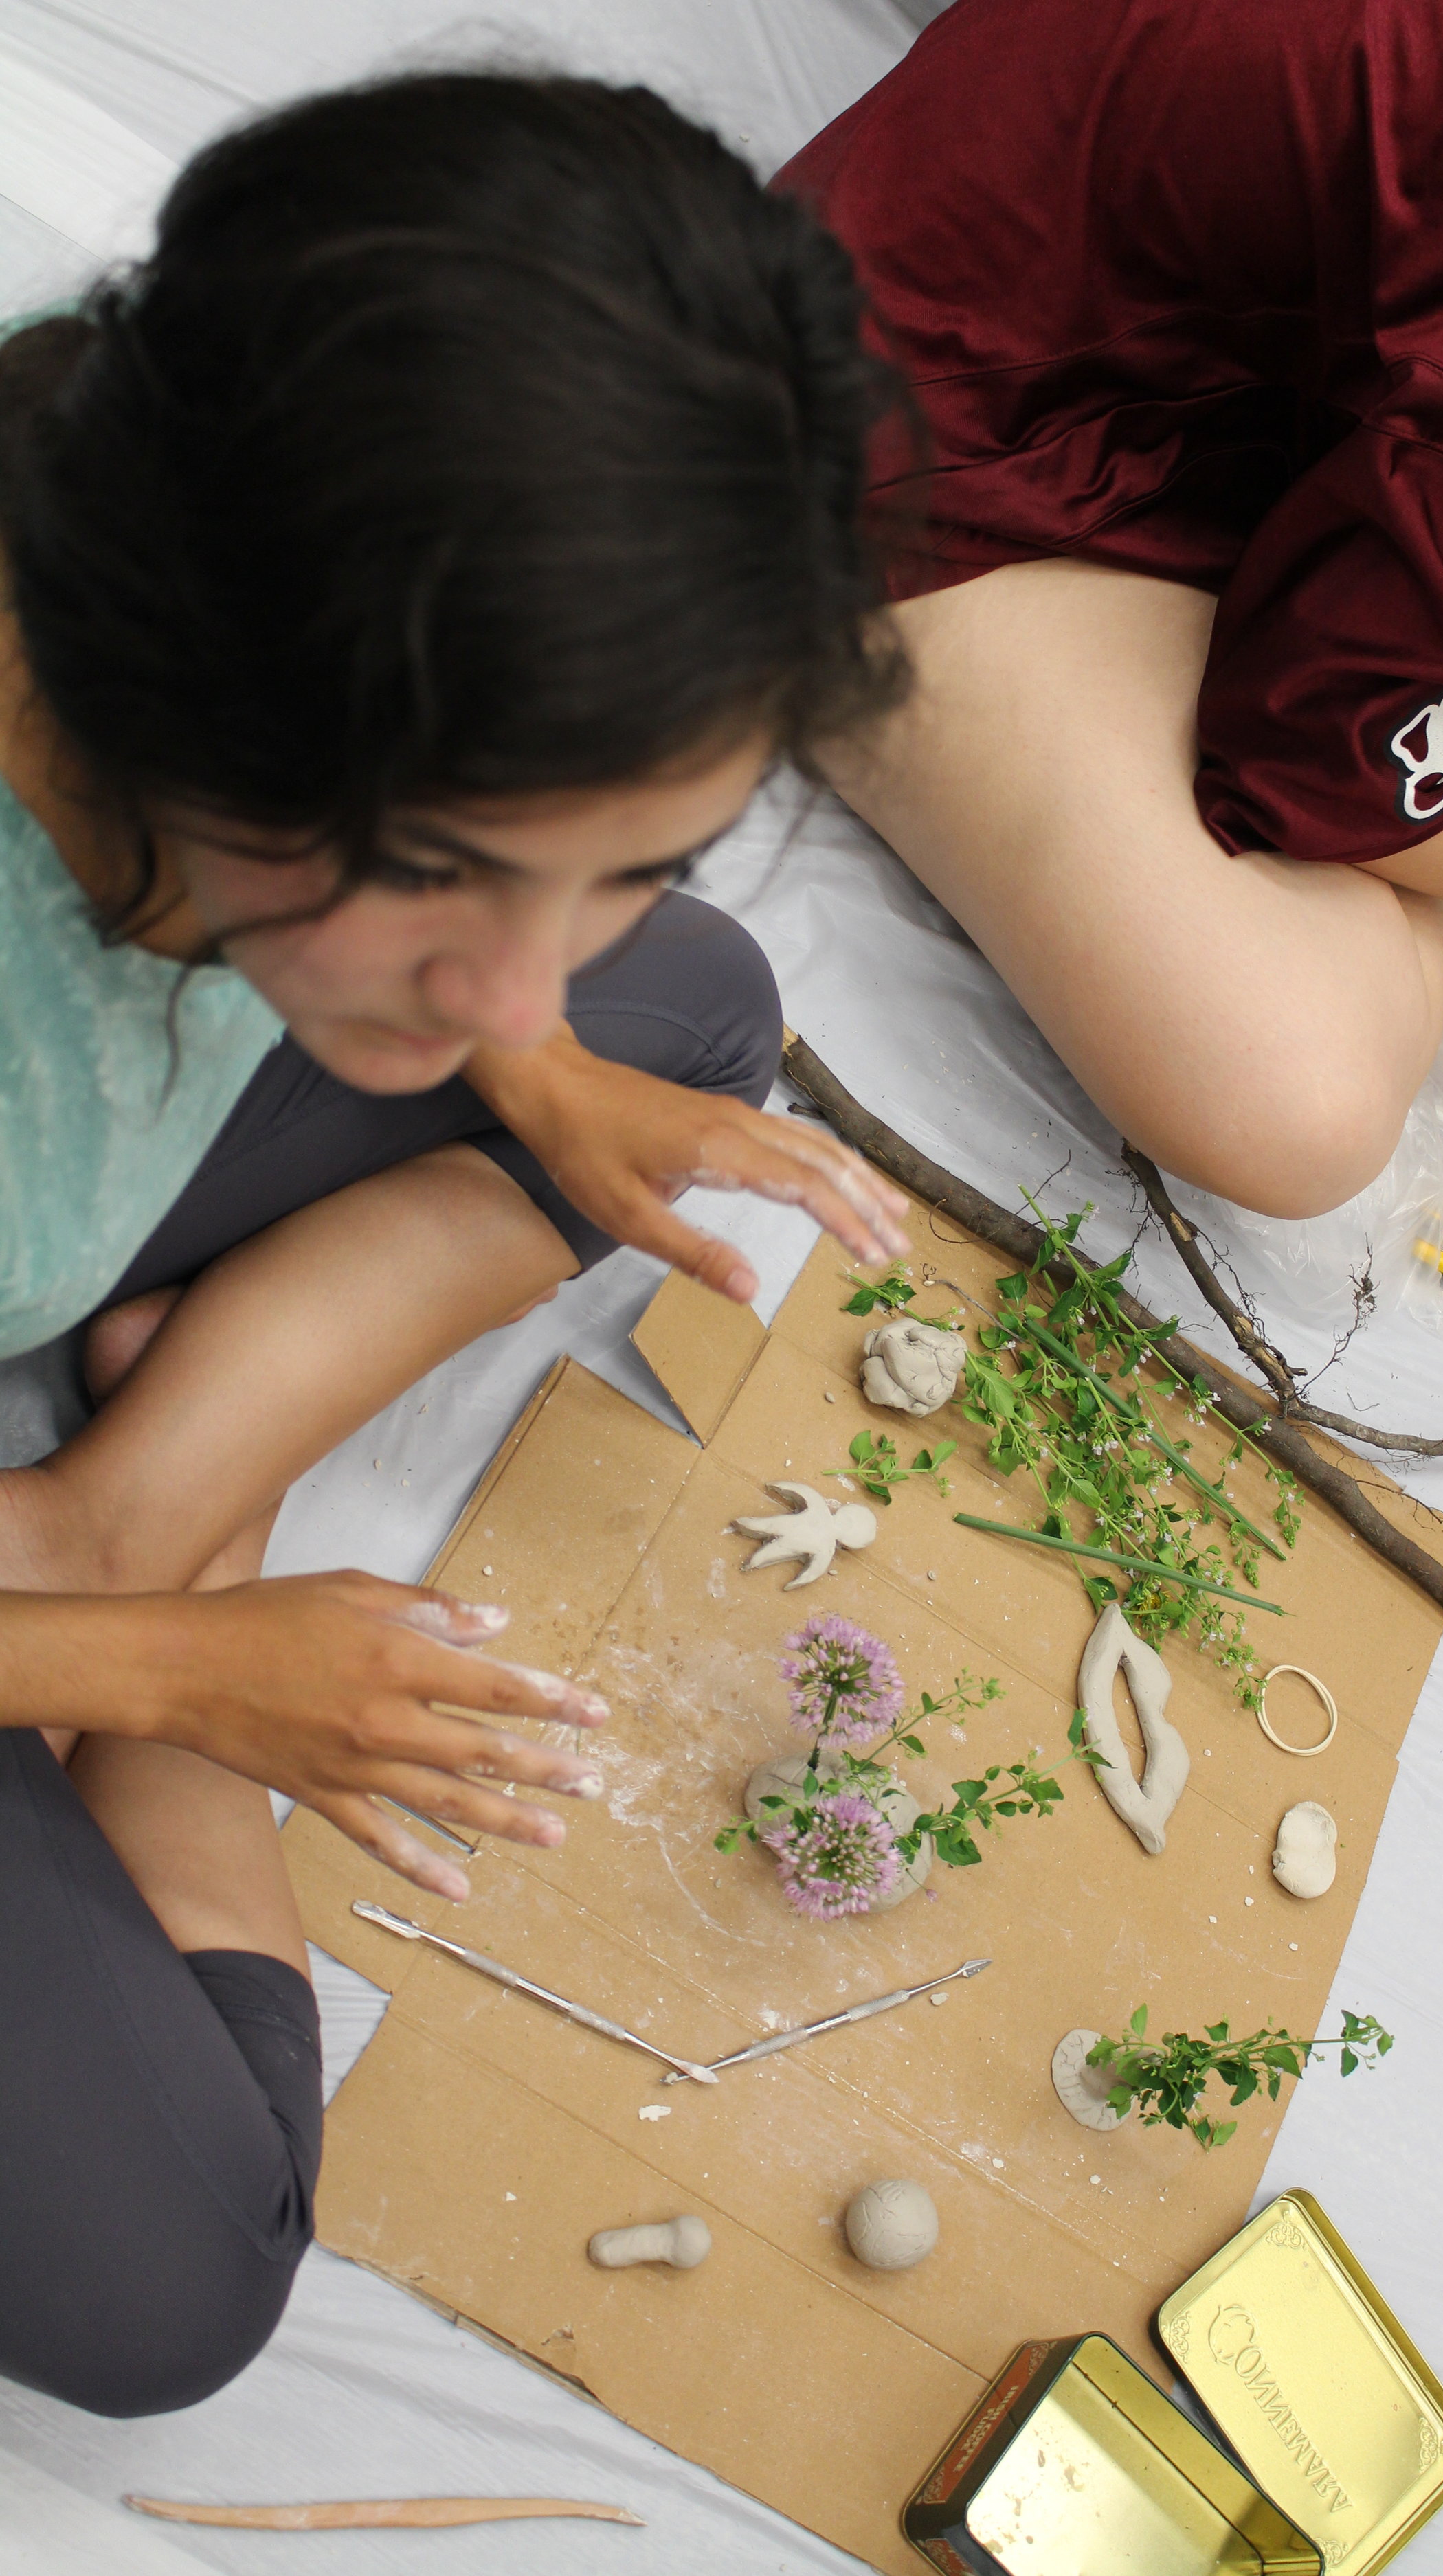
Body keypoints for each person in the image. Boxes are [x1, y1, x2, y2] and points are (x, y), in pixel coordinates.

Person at [0, 68, 911, 2415]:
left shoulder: (141, 490)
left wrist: (531, 1051)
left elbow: (554, 961)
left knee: (688, 1019)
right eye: (440, 886)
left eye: (603, 844)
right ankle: (137, 1549)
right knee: (176, 2273)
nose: (514, 983)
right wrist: (173, 1684)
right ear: (204, 693)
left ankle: (110, 1502)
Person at [781, 0, 1443, 1219]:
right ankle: (1387, 656)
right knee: (1307, 1101)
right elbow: (1303, 761)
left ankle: (1395, 627)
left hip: (1070, 216)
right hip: (878, 416)